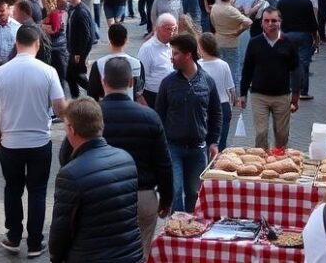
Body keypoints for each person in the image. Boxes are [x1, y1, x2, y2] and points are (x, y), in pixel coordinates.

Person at [0, 25, 68, 258]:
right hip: (39, 142)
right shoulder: (48, 71)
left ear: (16, 43)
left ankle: (13, 236)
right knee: (37, 191)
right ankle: (35, 242)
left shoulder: (1, 72)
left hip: (10, 143)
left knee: (12, 189)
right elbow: (61, 108)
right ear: (37, 43)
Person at [93, 59, 173, 261]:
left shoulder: (92, 117)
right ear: (131, 82)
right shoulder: (150, 117)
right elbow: (163, 163)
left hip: (102, 196)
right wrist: (166, 198)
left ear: (103, 81)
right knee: (141, 253)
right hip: (142, 196)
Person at [48, 97, 144, 263]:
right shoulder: (126, 160)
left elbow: (61, 231)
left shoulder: (70, 174)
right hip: (131, 255)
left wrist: (56, 258)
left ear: (71, 129)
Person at [154, 33, 220, 212]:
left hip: (198, 149)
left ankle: (192, 223)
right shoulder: (167, 83)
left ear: (188, 55)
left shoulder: (207, 81)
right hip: (173, 148)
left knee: (194, 192)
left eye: (175, 53)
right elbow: (159, 115)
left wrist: (213, 142)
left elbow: (216, 113)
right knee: (175, 190)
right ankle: (176, 223)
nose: (172, 57)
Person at [239, 6, 301, 149]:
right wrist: (243, 94)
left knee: (282, 135)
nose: (270, 24)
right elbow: (247, 68)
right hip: (259, 95)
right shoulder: (254, 42)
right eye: (266, 21)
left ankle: (279, 159)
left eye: (274, 20)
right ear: (261, 23)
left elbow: (296, 69)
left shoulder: (289, 42)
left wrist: (296, 94)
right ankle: (262, 159)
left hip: (282, 96)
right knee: (261, 133)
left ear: (280, 22)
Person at [279, 0, 319, 101]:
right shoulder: (306, 3)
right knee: (303, 63)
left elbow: (278, 19)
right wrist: (315, 37)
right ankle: (303, 90)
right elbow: (312, 22)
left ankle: (289, 87)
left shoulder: (282, 2)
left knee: (287, 61)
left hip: (287, 35)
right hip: (303, 35)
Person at [87, 23, 145, 103]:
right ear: (126, 39)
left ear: (109, 39)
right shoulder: (137, 64)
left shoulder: (98, 64)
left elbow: (92, 93)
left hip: (105, 107)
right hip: (130, 105)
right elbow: (139, 91)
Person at [198, 33, 236, 152]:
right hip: (223, 105)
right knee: (221, 141)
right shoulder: (224, 65)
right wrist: (232, 106)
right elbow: (231, 90)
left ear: (202, 47)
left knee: (204, 140)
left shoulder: (197, 65)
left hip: (204, 106)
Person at [209, 0, 252, 86]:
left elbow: (213, 23)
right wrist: (239, 31)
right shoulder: (232, 10)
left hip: (218, 41)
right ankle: (234, 94)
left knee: (219, 70)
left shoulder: (214, 8)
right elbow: (249, 22)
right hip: (231, 44)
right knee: (233, 72)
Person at [138, 14, 177, 106]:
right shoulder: (147, 49)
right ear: (158, 28)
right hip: (154, 96)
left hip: (172, 94)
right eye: (168, 29)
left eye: (173, 29)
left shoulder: (174, 45)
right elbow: (141, 76)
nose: (171, 33)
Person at [64, 0, 95, 98]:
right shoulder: (73, 9)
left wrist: (78, 53)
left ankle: (95, 92)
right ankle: (77, 97)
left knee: (77, 75)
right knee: (71, 75)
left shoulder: (81, 12)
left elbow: (86, 36)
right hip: (74, 50)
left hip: (79, 51)